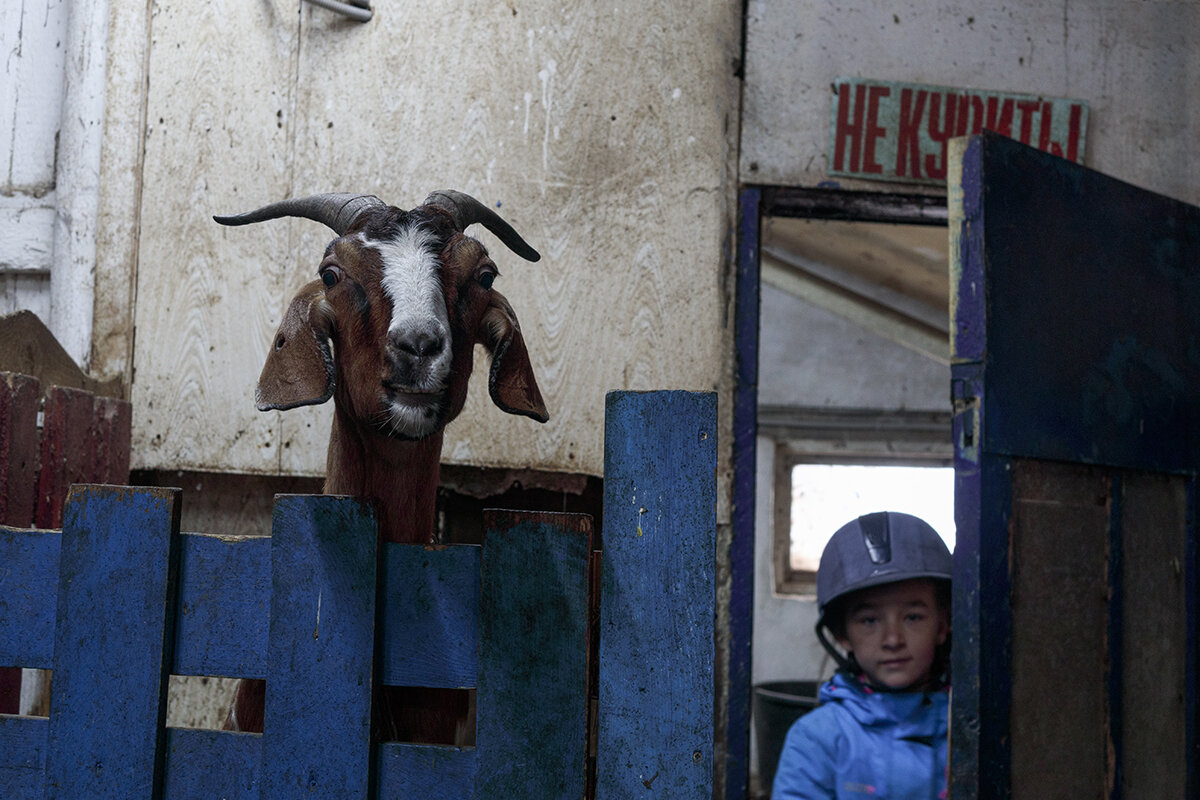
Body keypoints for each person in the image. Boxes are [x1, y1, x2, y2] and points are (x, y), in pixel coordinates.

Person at [772, 511, 952, 800]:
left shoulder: (970, 729)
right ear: (843, 635)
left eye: (913, 617)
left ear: (943, 625)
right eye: (869, 621)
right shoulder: (817, 739)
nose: (893, 640)